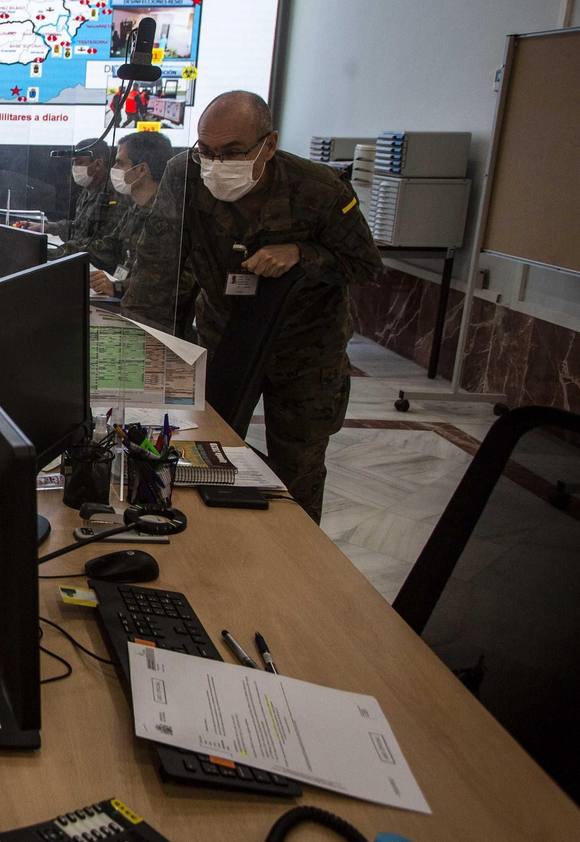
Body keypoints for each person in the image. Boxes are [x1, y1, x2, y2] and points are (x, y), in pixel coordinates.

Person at [122, 91, 382, 522]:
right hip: (225, 337)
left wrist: (302, 252)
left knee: (296, 471)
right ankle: (215, 553)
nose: (215, 163)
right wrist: (135, 356)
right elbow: (159, 269)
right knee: (206, 457)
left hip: (306, 349)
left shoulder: (319, 189)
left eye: (232, 152)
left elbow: (365, 266)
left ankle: (295, 561)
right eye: (206, 150)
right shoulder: (183, 174)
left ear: (270, 145)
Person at [85, 131, 173, 296]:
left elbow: (167, 284)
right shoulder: (136, 208)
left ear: (141, 169)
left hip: (146, 316)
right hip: (124, 301)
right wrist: (59, 253)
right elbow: (110, 246)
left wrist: (117, 288)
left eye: (120, 163)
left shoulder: (167, 216)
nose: (113, 169)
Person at [44, 139, 126, 256]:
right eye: (73, 162)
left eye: (80, 162)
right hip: (78, 256)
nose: (75, 167)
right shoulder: (88, 189)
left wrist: (57, 252)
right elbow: (78, 227)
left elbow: (104, 243)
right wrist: (46, 227)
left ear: (98, 164)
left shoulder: (112, 195)